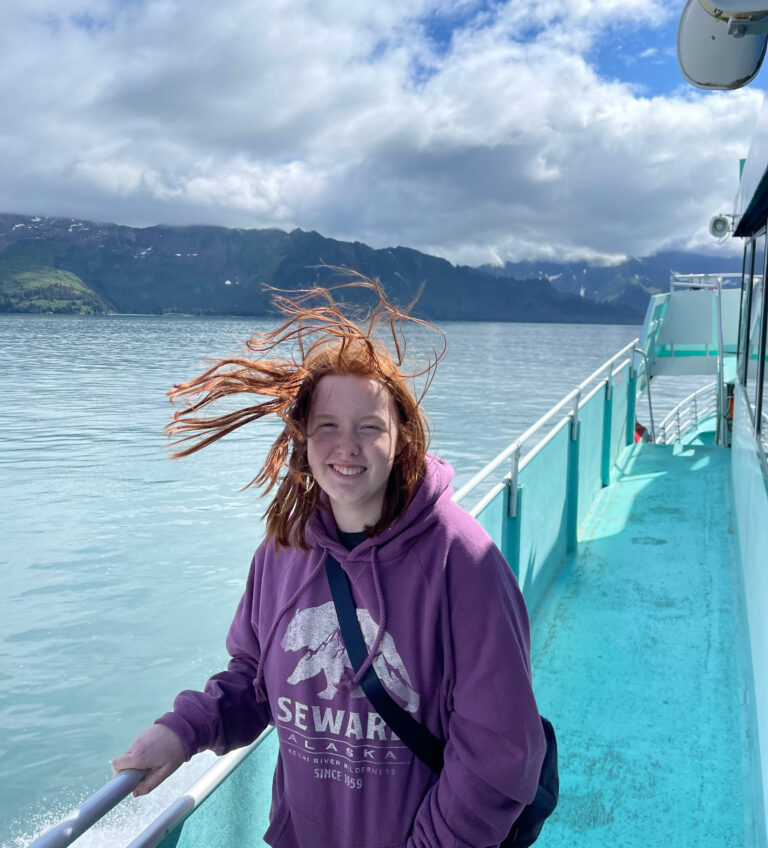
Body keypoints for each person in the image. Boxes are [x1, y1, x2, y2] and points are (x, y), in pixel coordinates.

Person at [112, 276, 546, 848]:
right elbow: (254, 679)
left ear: (402, 438)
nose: (348, 447)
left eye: (370, 428)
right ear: (303, 437)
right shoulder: (283, 548)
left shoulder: (460, 560)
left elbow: (501, 752)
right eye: (328, 427)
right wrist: (185, 729)